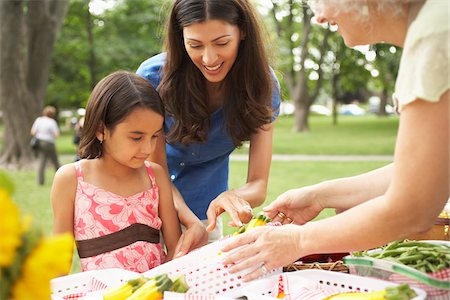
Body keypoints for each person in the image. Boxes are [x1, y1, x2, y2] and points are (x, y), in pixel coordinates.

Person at [222, 0, 449, 281]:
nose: (318, 16)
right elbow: (429, 172)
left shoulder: (435, 36)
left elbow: (411, 208)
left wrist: (298, 241)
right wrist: (320, 195)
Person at [136, 0, 281, 251]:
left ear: (243, 31)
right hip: (144, 208)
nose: (209, 57)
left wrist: (232, 198)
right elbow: (155, 170)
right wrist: (191, 224)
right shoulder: (153, 78)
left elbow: (258, 185)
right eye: (195, 45)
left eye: (221, 43)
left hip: (204, 212)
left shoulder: (262, 87)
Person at [51, 71, 182, 273]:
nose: (148, 148)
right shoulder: (71, 179)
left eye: (154, 136)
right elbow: (59, 263)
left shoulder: (155, 176)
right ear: (101, 130)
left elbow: (176, 249)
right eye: (136, 138)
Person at [30, 105, 61, 186]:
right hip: (49, 143)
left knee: (42, 161)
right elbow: (56, 134)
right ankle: (61, 178)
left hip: (40, 142)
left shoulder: (39, 120)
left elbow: (33, 132)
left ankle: (40, 181)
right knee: (55, 161)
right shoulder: (52, 122)